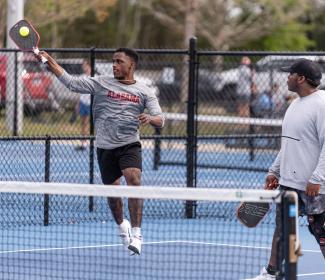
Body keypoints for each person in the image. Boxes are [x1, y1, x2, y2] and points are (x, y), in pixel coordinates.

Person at [35, 48, 165, 255]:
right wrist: (48, 61)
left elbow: (160, 119)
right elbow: (71, 82)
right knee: (113, 198)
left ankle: (138, 235)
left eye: (119, 62)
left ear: (131, 65)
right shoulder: (101, 82)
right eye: (113, 61)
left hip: (130, 145)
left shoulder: (144, 91)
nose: (114, 65)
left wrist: (150, 118)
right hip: (105, 148)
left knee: (134, 180)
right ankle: (123, 226)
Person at [250, 58, 325, 280]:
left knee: (321, 234)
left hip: (314, 186)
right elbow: (289, 143)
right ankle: (271, 272)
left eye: (290, 74)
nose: (286, 77)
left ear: (301, 78)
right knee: (281, 230)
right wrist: (274, 170)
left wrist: (318, 177)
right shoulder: (294, 104)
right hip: (289, 184)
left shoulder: (321, 104)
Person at [75, 59, 91, 150]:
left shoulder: (94, 77)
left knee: (95, 124)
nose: (83, 67)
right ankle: (84, 143)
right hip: (83, 102)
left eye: (84, 65)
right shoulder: (82, 77)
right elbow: (79, 92)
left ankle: (98, 142)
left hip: (91, 103)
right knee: (84, 123)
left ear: (89, 66)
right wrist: (77, 104)